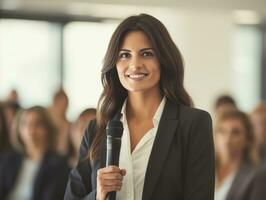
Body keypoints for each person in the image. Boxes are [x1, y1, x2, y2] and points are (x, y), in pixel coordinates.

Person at [64, 13, 215, 200]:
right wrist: (98, 195)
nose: (135, 64)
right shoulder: (97, 129)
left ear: (164, 59)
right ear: (114, 64)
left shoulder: (193, 124)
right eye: (125, 55)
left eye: (146, 54)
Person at [0, 106, 70, 200]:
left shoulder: (59, 164)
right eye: (25, 124)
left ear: (48, 129)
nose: (31, 130)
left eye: (38, 124)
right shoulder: (8, 159)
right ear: (19, 130)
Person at [214, 110, 258, 200]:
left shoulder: (256, 175)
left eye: (235, 132)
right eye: (222, 131)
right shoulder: (202, 168)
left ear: (247, 139)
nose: (227, 139)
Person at [48, 88, 71, 155]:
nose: (62, 107)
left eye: (64, 104)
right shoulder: (47, 123)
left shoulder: (68, 125)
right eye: (59, 103)